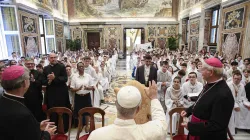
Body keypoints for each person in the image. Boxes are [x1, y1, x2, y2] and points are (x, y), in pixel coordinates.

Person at [88, 81, 167, 140]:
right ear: (138, 110)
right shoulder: (149, 133)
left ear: (116, 105)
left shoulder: (96, 136)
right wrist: (154, 98)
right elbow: (162, 123)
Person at [180, 57, 234, 140]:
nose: (200, 70)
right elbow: (201, 101)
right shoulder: (210, 84)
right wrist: (189, 111)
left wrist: (191, 126)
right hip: (198, 132)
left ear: (211, 72)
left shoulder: (224, 95)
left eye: (203, 68)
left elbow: (217, 125)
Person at [0, 65, 56, 139]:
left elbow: (17, 129)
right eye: (29, 79)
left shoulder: (4, 99)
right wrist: (47, 134)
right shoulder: (23, 114)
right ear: (24, 83)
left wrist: (36, 126)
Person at [43, 53, 70, 132]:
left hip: (61, 92)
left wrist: (55, 78)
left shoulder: (61, 67)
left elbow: (65, 78)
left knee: (63, 109)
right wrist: (49, 81)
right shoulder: (46, 68)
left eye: (55, 57)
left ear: (57, 58)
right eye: (51, 57)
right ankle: (53, 129)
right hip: (51, 93)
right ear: (48, 59)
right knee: (52, 110)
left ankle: (64, 128)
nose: (53, 59)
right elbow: (43, 81)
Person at [71, 62, 94, 133]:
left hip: (86, 96)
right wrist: (78, 89)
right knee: (79, 112)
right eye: (79, 67)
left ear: (84, 67)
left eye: (82, 66)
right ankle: (80, 125)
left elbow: (92, 87)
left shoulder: (88, 76)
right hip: (78, 97)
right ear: (77, 68)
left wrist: (88, 88)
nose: (81, 68)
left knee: (87, 112)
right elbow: (72, 89)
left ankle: (87, 125)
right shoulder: (74, 77)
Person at [227, 71, 250, 135]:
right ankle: (234, 127)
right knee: (234, 110)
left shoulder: (242, 85)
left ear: (241, 79)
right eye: (235, 78)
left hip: (239, 102)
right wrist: (234, 105)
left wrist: (246, 104)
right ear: (233, 78)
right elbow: (227, 97)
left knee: (248, 109)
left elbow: (243, 96)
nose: (236, 80)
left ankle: (246, 127)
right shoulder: (228, 85)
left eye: (238, 79)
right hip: (230, 102)